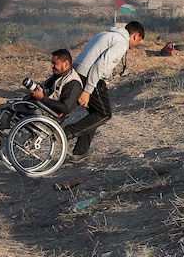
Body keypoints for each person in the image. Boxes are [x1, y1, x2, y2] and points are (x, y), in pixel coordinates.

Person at [63, 20, 145, 162]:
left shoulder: (106, 34)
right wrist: (88, 91)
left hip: (77, 72)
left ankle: (80, 152)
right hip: (89, 75)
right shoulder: (121, 42)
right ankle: (67, 133)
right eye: (138, 41)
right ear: (136, 36)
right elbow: (99, 66)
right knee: (104, 114)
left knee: (95, 114)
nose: (135, 46)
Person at [26, 48, 83, 118]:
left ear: (66, 64)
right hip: (45, 109)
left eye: (54, 63)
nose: (52, 66)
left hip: (53, 116)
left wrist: (42, 98)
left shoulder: (73, 83)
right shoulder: (57, 76)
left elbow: (65, 108)